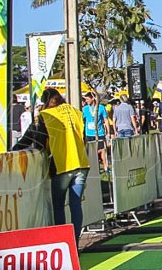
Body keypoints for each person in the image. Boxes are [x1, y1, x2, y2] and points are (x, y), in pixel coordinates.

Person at [14, 88, 89, 242]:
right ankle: (75, 241)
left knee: (58, 206)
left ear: (46, 101)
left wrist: (14, 150)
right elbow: (84, 137)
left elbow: (35, 140)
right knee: (76, 204)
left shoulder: (46, 115)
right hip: (81, 163)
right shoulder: (76, 112)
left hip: (61, 164)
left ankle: (64, 243)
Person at [82, 91, 111, 171]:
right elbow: (82, 120)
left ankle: (105, 167)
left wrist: (108, 133)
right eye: (85, 100)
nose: (86, 101)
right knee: (91, 152)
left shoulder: (101, 108)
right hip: (89, 134)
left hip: (100, 133)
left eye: (88, 99)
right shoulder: (85, 109)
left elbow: (106, 120)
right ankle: (94, 168)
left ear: (93, 98)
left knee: (102, 150)